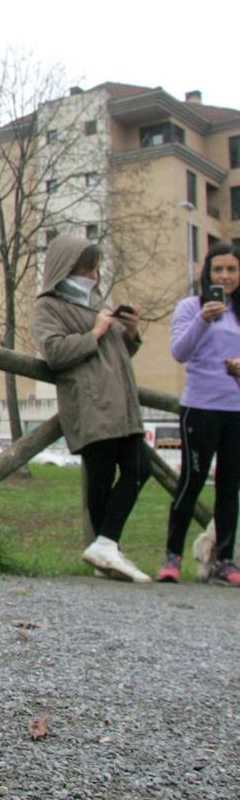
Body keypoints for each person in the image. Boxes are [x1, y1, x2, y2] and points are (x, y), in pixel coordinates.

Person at [33, 234, 152, 582]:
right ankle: (106, 548)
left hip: (121, 403)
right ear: (65, 268)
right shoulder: (48, 307)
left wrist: (130, 333)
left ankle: (105, 547)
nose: (93, 275)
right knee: (102, 477)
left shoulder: (96, 302)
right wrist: (96, 332)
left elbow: (117, 354)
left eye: (96, 268)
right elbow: (54, 352)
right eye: (86, 268)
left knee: (137, 468)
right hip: (90, 402)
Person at [157, 243, 240, 585]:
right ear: (206, 273)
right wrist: (204, 320)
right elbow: (179, 352)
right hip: (200, 408)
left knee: (229, 488)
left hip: (235, 411)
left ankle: (224, 561)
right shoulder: (190, 308)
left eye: (231, 270)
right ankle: (172, 558)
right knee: (190, 483)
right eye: (217, 269)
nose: (224, 276)